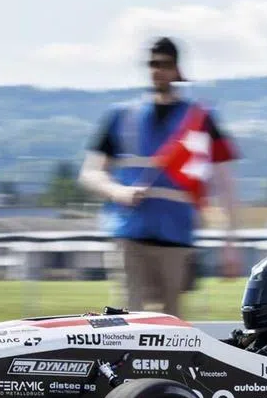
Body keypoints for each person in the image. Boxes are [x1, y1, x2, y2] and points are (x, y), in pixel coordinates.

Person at [78, 36, 241, 317]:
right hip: (130, 234)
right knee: (130, 319)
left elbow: (224, 182)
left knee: (171, 324)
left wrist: (230, 243)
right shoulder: (121, 116)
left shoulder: (198, 119)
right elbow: (91, 173)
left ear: (177, 70)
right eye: (152, 64)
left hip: (176, 237)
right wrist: (118, 192)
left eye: (164, 64)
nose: (157, 70)